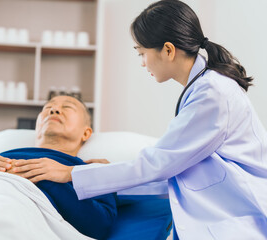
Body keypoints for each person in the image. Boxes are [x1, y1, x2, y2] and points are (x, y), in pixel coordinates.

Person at [17, 1, 267, 239]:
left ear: (168, 50)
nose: (142, 63)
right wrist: (101, 175)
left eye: (141, 53)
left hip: (238, 218)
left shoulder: (212, 94)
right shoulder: (203, 88)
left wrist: (74, 173)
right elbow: (171, 169)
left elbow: (158, 164)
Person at [0, 95, 117, 240]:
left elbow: (97, 225)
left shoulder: (89, 171)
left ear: (86, 133)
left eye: (67, 107)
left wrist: (46, 179)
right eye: (48, 107)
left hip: (17, 206)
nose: (54, 110)